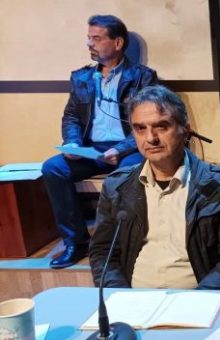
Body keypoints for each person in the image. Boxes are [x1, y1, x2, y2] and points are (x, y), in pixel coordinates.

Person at [89, 85, 220, 290]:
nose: (151, 138)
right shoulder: (116, 186)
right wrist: (121, 297)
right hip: (135, 300)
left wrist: (202, 298)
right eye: (140, 128)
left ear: (185, 129)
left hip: (203, 298)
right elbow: (102, 253)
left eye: (161, 126)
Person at [42, 15, 158, 268]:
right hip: (91, 150)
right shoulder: (82, 78)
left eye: (96, 38)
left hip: (127, 148)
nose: (89, 44)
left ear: (117, 43)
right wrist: (73, 144)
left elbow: (148, 121)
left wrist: (120, 148)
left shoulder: (142, 77)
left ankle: (124, 242)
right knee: (53, 168)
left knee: (128, 171)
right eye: (88, 38)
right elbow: (72, 116)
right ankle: (76, 242)